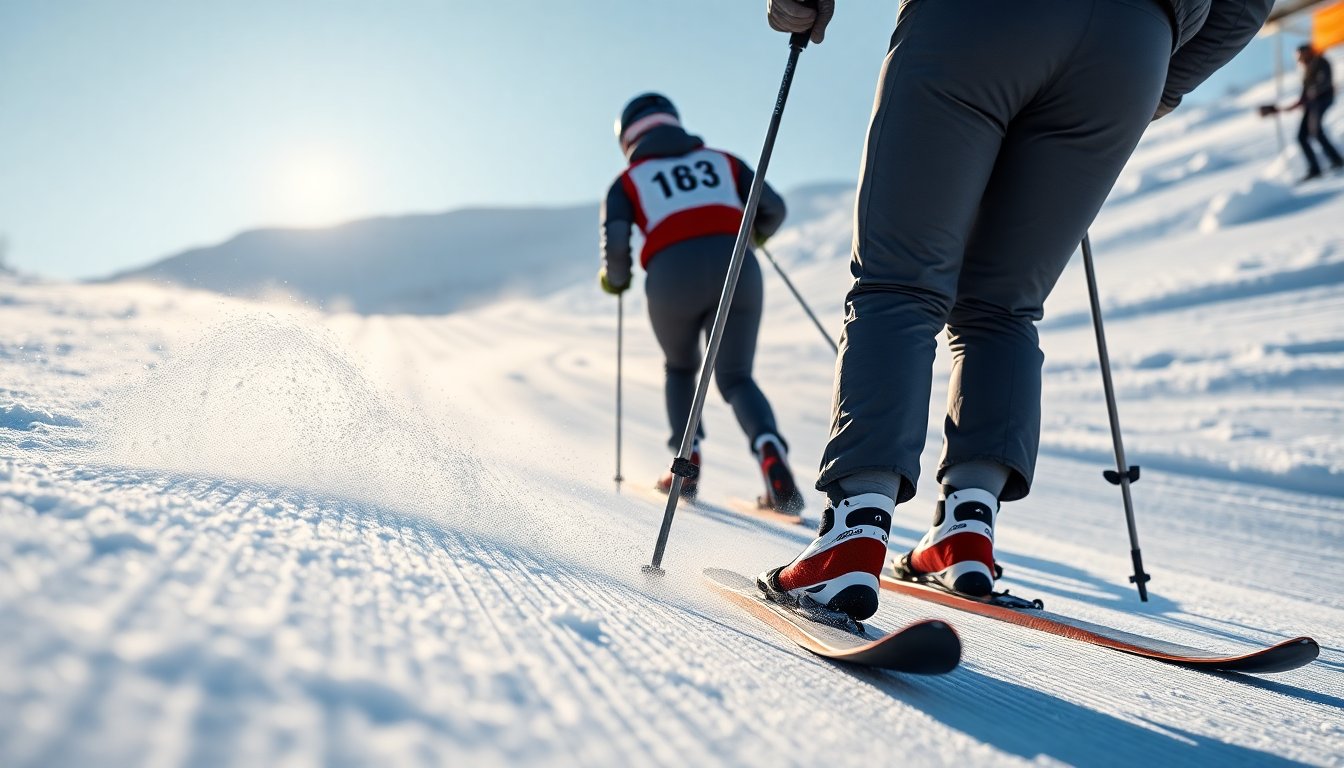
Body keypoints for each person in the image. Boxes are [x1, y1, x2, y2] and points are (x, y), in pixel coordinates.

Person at [757, 0, 1273, 622]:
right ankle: (965, 529)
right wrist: (1162, 77)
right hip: (1132, 45)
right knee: (1003, 308)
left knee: (900, 282)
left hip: (977, 24)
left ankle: (853, 533)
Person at [599, 93, 806, 514]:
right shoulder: (722, 161)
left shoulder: (628, 181)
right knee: (737, 377)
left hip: (670, 274)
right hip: (737, 266)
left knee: (680, 367)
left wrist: (616, 279)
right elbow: (774, 208)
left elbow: (617, 245)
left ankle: (685, 461)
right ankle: (769, 449)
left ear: (628, 139)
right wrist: (754, 236)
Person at [1279, 45, 1341, 182]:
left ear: (1307, 53)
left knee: (1316, 131)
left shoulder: (1321, 62)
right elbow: (1305, 92)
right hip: (1311, 104)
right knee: (1301, 136)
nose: (1299, 60)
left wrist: (1311, 93)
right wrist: (1295, 105)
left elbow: (1324, 82)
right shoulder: (1306, 70)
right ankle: (1315, 169)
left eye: (1300, 56)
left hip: (1322, 100)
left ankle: (1336, 160)